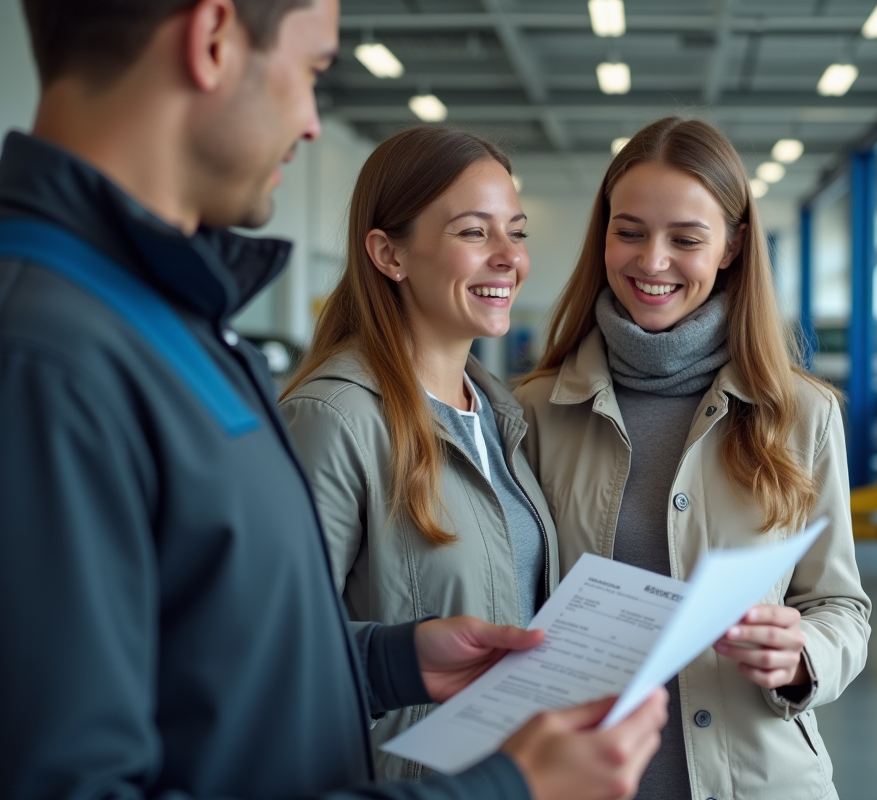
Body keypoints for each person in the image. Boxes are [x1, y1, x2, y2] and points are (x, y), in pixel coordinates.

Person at [0, 1, 666, 799]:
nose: (315, 122)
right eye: (313, 69)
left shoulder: (171, 331)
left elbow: (208, 658)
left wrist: (390, 658)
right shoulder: (48, 357)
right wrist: (503, 791)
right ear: (212, 40)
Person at [515, 117, 871, 800]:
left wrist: (804, 655)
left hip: (759, 781)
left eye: (686, 238)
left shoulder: (802, 413)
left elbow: (839, 605)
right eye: (629, 231)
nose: (652, 261)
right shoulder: (533, 411)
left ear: (734, 246)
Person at [280, 126, 559, 782]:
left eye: (515, 232)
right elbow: (278, 652)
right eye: (472, 232)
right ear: (389, 254)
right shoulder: (334, 420)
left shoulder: (501, 416)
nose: (508, 257)